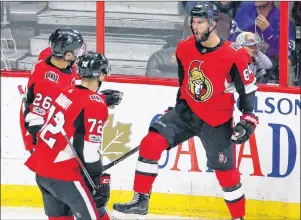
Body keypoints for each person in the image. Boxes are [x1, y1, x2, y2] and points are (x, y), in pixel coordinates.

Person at [113, 3, 258, 220]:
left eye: (200, 22)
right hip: (187, 112)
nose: (195, 26)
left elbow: (247, 89)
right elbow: (185, 83)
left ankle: (239, 218)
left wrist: (248, 117)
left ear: (213, 24)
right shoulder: (184, 47)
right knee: (151, 143)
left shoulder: (234, 55)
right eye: (193, 21)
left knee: (227, 177)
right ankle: (140, 200)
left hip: (216, 120)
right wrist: (179, 105)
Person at [24, 51, 122, 220]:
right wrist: (97, 181)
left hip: (42, 172)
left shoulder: (65, 91)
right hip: (65, 176)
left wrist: (99, 98)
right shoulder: (96, 105)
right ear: (101, 74)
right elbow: (89, 151)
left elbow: (77, 106)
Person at [19, 28, 86, 153]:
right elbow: (34, 117)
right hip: (40, 134)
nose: (79, 53)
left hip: (52, 118)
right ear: (67, 55)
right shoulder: (49, 84)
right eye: (76, 50)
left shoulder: (49, 55)